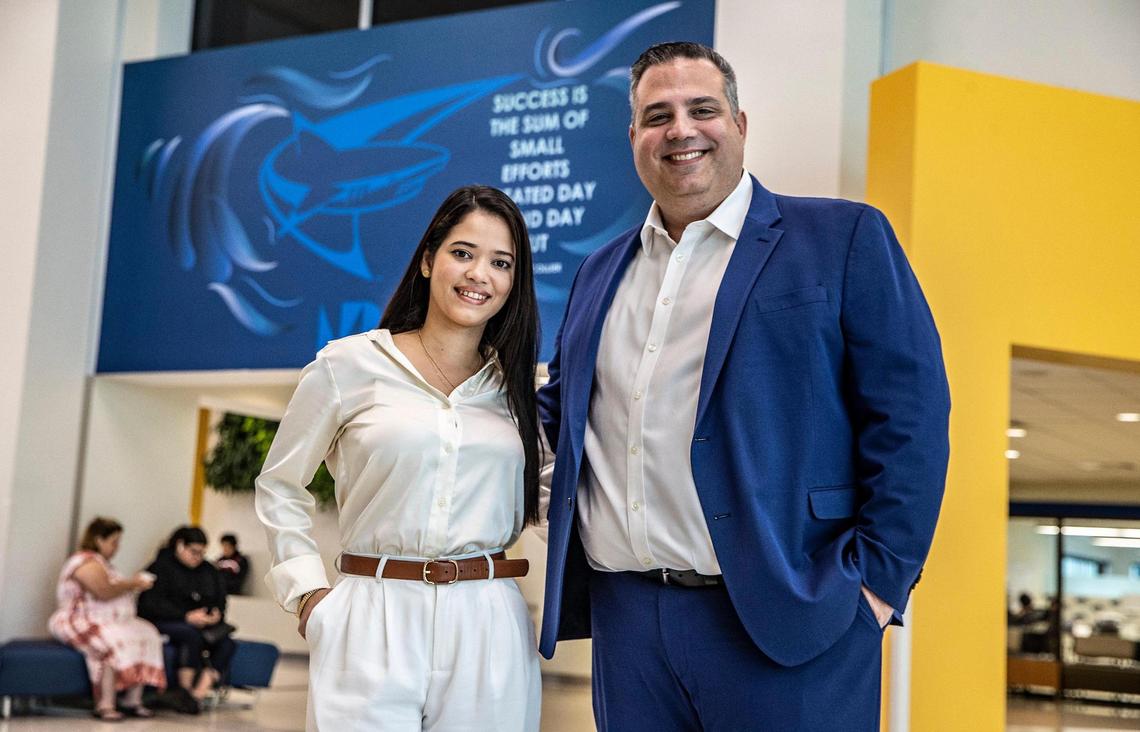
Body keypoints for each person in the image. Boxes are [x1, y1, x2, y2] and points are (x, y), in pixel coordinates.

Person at [536, 42, 951, 731]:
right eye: (657, 115)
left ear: (740, 124)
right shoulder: (599, 272)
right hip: (626, 625)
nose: (681, 130)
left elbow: (911, 420)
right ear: (634, 136)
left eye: (702, 109)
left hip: (789, 619)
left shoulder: (842, 238)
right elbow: (557, 414)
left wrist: (877, 585)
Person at [256, 184, 543, 731]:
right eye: (463, 253)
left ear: (514, 281)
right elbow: (280, 484)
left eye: (500, 262)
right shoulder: (349, 365)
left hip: (488, 623)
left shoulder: (519, 391)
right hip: (370, 617)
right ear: (429, 260)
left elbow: (553, 497)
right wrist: (307, 593)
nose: (479, 274)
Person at [49, 517, 166, 721]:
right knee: (109, 642)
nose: (117, 547)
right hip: (77, 620)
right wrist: (133, 584)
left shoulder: (105, 565)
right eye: (114, 542)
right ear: (98, 540)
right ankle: (105, 704)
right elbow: (103, 591)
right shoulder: (84, 562)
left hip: (107, 620)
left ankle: (132, 700)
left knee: (147, 634)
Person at [137, 525, 234, 714]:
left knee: (226, 643)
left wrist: (215, 615)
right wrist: (185, 616)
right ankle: (184, 690)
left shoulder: (208, 570)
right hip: (167, 621)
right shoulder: (161, 567)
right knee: (190, 635)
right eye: (193, 552)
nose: (197, 558)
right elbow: (149, 604)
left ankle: (197, 695)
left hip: (202, 623)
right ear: (180, 545)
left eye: (201, 553)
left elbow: (220, 599)